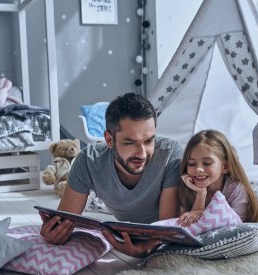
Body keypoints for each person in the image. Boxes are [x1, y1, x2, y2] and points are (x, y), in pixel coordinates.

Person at [40, 92, 184, 257]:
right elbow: (66, 219)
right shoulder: (88, 160)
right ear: (109, 140)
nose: (142, 153)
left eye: (149, 141)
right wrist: (55, 232)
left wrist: (149, 248)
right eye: (130, 143)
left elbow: (166, 230)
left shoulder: (171, 154)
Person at [177, 129, 258, 227]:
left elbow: (234, 227)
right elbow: (191, 228)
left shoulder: (236, 190)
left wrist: (202, 214)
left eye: (207, 163)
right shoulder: (188, 187)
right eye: (191, 163)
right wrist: (201, 193)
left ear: (225, 167)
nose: (198, 169)